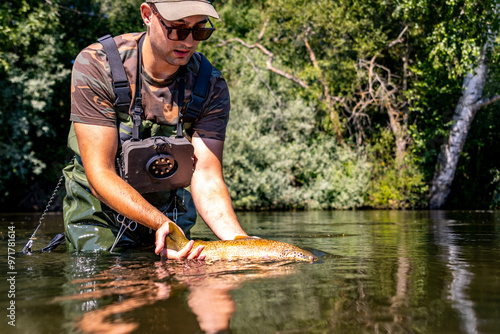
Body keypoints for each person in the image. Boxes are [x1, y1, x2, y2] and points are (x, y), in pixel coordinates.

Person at [62, 0, 247, 258]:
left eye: (200, 30)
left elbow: (206, 175)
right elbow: (100, 173)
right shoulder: (97, 65)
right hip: (100, 215)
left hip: (170, 214)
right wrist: (160, 223)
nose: (189, 42)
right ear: (148, 15)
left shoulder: (210, 85)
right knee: (101, 282)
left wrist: (240, 242)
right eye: (178, 29)